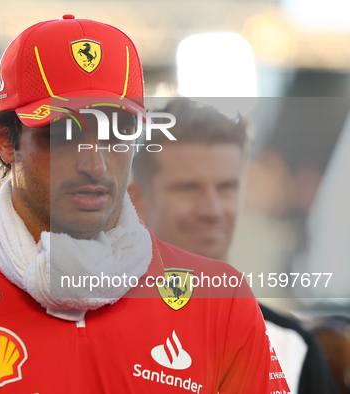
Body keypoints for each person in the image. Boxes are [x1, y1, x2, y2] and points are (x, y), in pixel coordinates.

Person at [0, 16, 289, 393]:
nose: (95, 163)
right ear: (6, 139)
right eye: (64, 133)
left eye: (118, 131)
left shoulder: (219, 301)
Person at [129, 97, 339, 394]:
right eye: (188, 187)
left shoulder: (292, 347)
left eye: (227, 187)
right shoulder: (96, 327)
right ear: (137, 201)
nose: (212, 210)